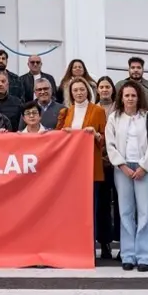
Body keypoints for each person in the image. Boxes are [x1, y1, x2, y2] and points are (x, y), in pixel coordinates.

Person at [106, 81, 148, 272]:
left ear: (139, 98)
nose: (130, 99)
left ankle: (144, 256)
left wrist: (144, 166)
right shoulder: (114, 118)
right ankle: (128, 254)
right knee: (125, 212)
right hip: (122, 169)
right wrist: (121, 165)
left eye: (133, 95)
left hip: (142, 168)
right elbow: (110, 144)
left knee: (145, 212)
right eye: (126, 95)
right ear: (121, 97)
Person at [56, 76, 107, 248]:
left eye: (82, 89)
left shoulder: (98, 111)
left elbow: (105, 140)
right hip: (71, 169)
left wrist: (96, 135)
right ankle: (73, 246)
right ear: (71, 93)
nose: (79, 93)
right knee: (72, 210)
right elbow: (57, 138)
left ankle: (89, 248)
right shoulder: (66, 112)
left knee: (90, 210)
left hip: (91, 166)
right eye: (75, 90)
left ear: (88, 91)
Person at [95, 75, 120, 260]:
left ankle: (124, 243)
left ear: (112, 89)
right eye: (101, 87)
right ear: (97, 90)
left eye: (107, 86)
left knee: (121, 205)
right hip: (100, 162)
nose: (104, 90)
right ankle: (104, 243)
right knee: (103, 205)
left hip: (119, 162)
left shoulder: (119, 109)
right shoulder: (92, 109)